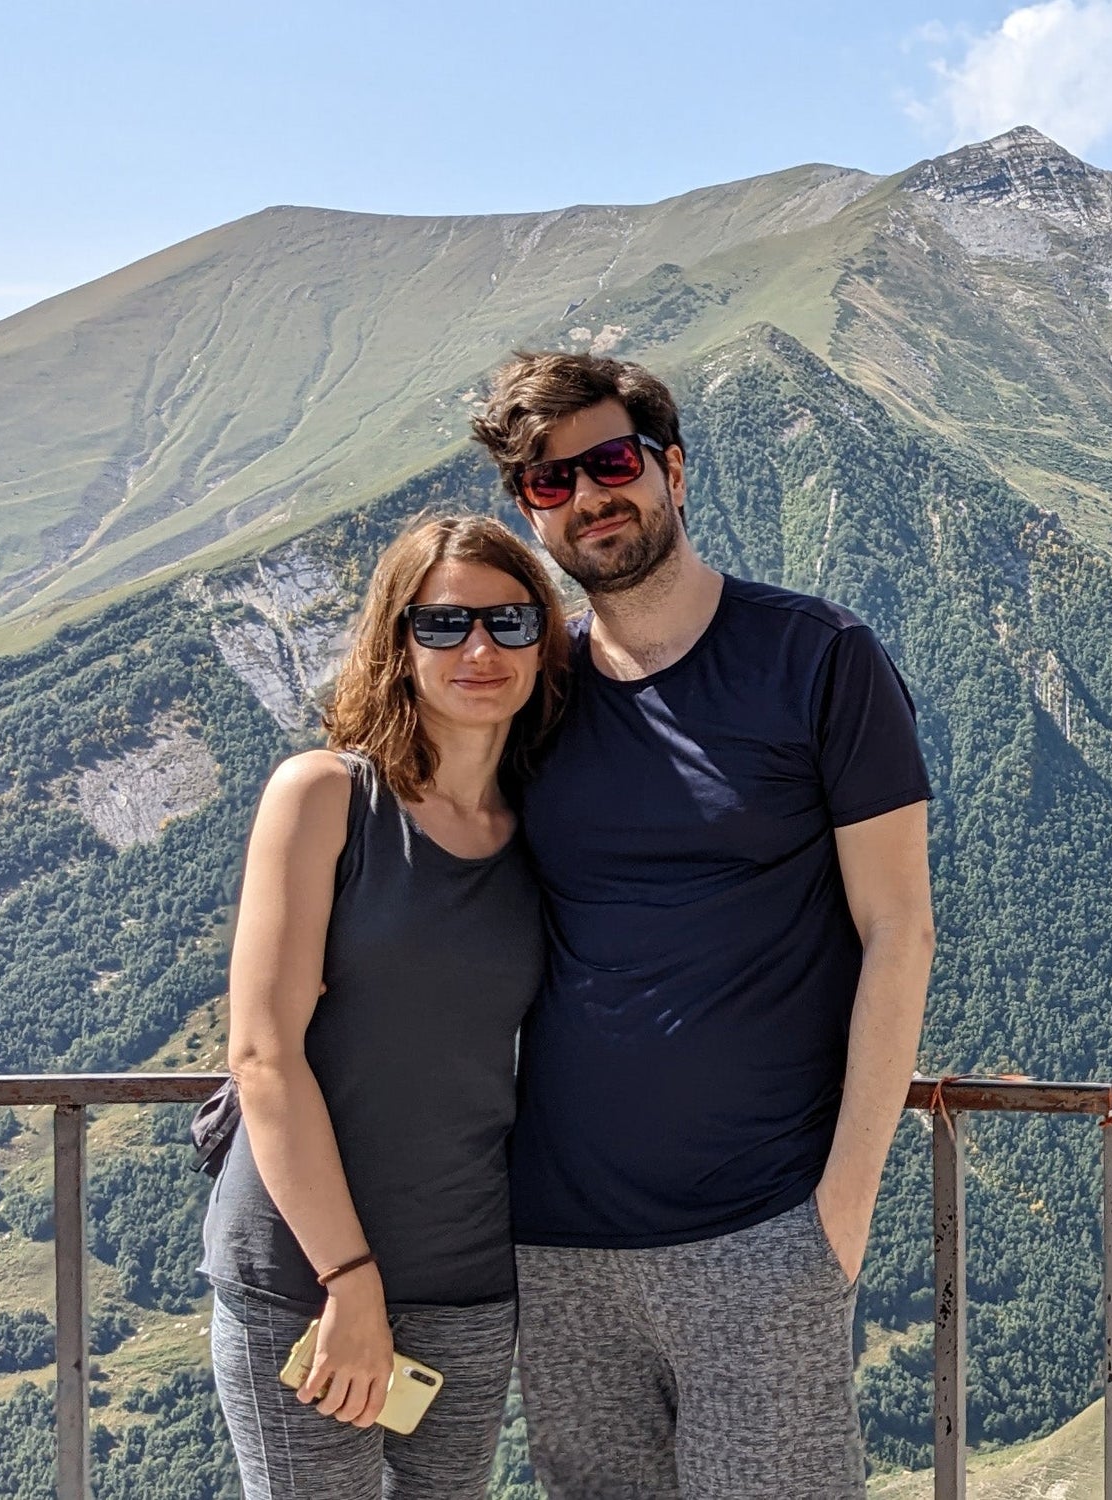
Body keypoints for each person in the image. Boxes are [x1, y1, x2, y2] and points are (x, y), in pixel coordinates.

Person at [470, 353, 936, 1500]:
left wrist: (838, 1220)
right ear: (530, 511)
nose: (589, 497)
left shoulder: (818, 658)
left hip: (762, 1232)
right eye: (550, 483)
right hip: (558, 1245)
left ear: (673, 469)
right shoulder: (537, 694)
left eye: (613, 462)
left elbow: (899, 932)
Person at [198, 513, 567, 1500]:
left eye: (508, 621)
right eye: (443, 625)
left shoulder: (550, 830)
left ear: (544, 638)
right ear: (397, 645)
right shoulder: (324, 798)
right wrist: (348, 1279)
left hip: (470, 1280)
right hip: (303, 1281)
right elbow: (263, 1054)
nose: (479, 649)